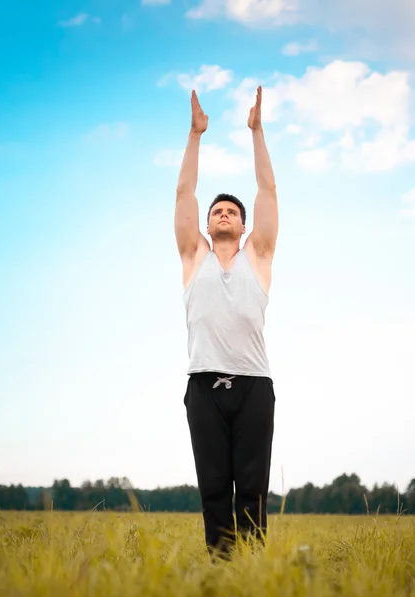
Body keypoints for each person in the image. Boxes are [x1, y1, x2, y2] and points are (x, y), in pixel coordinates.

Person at [174, 86, 279, 560]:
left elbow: (267, 191)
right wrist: (196, 135)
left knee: (252, 489)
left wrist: (257, 132)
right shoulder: (193, 255)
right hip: (203, 386)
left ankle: (255, 572)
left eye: (231, 212)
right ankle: (220, 571)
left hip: (254, 385)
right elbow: (184, 192)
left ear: (242, 227)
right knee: (214, 487)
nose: (222, 214)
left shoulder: (258, 256)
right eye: (217, 211)